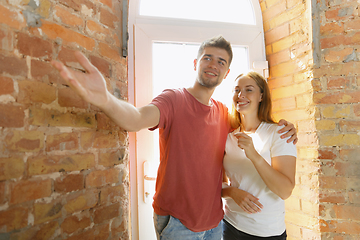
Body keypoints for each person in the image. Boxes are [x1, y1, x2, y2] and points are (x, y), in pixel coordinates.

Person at [51, 36, 297, 240]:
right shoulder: (174, 99)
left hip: (215, 224)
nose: (213, 64)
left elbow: (254, 123)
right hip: (178, 223)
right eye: (207, 58)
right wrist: (105, 99)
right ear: (195, 63)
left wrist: (286, 126)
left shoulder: (223, 113)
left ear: (226, 72)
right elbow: (135, 118)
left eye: (221, 61)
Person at [221, 71, 297, 240]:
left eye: (249, 90)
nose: (241, 95)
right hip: (230, 225)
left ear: (261, 96)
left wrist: (254, 155)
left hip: (266, 231)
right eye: (236, 90)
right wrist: (232, 192)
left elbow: (285, 190)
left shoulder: (280, 133)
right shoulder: (228, 135)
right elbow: (216, 183)